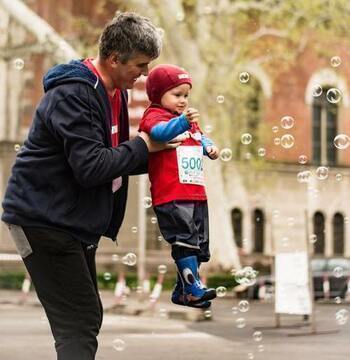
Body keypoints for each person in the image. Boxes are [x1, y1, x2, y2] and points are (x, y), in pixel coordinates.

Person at [1, 12, 176, 360]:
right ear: (114, 58)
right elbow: (92, 166)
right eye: (140, 65)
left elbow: (114, 158)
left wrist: (171, 152)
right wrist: (144, 143)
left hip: (71, 221)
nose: (144, 74)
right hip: (44, 220)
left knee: (85, 316)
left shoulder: (115, 93)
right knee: (79, 321)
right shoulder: (75, 94)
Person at [139, 64, 220, 308]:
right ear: (157, 94)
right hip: (172, 194)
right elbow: (160, 133)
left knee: (199, 245)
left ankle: (184, 291)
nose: (183, 100)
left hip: (195, 192)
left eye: (186, 95)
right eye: (177, 95)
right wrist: (184, 123)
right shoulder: (154, 116)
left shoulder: (186, 121)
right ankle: (192, 289)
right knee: (184, 239)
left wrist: (209, 146)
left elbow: (199, 136)